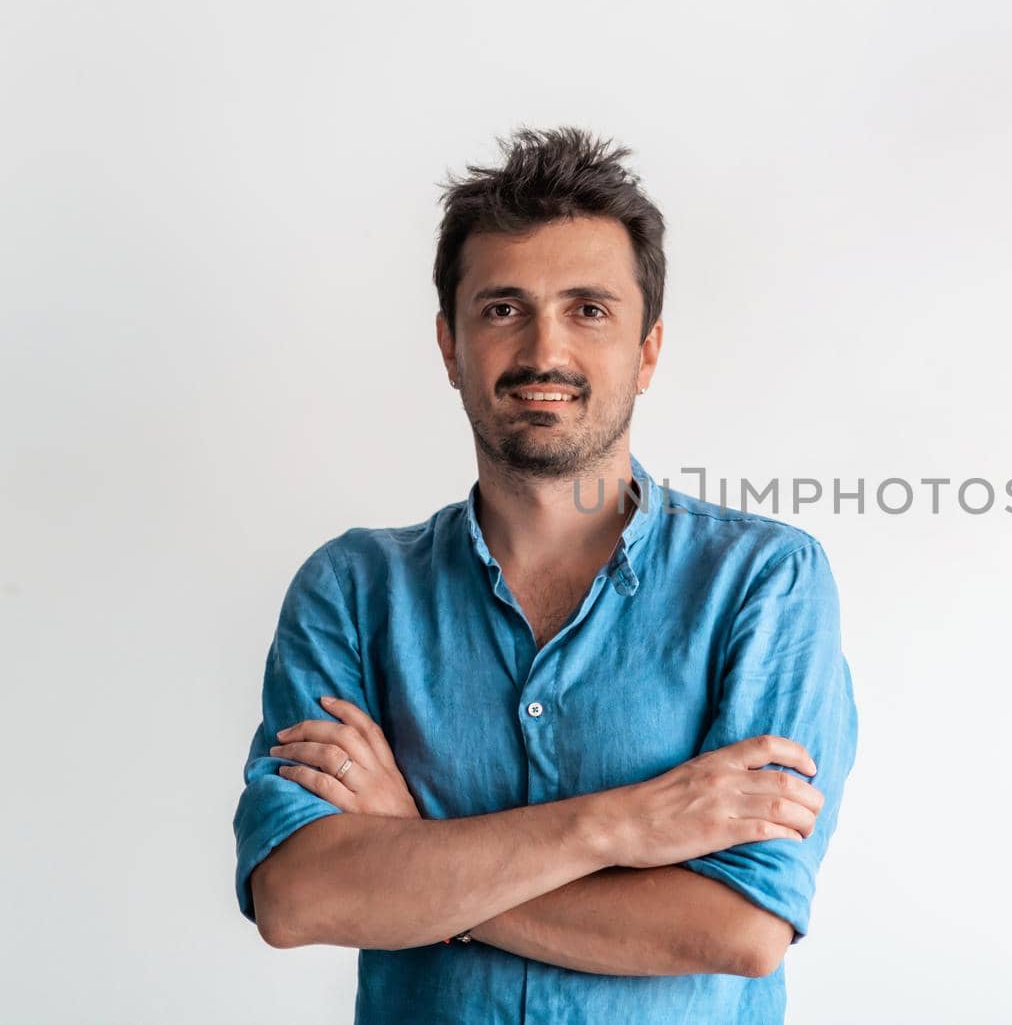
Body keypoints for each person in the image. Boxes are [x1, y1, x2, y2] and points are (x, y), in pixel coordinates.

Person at [230, 126, 860, 1024]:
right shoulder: (353, 589)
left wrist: (417, 866)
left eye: (589, 308)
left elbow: (739, 925)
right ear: (450, 345)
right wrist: (620, 827)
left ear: (648, 350)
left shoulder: (764, 582)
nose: (543, 351)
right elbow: (298, 897)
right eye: (502, 308)